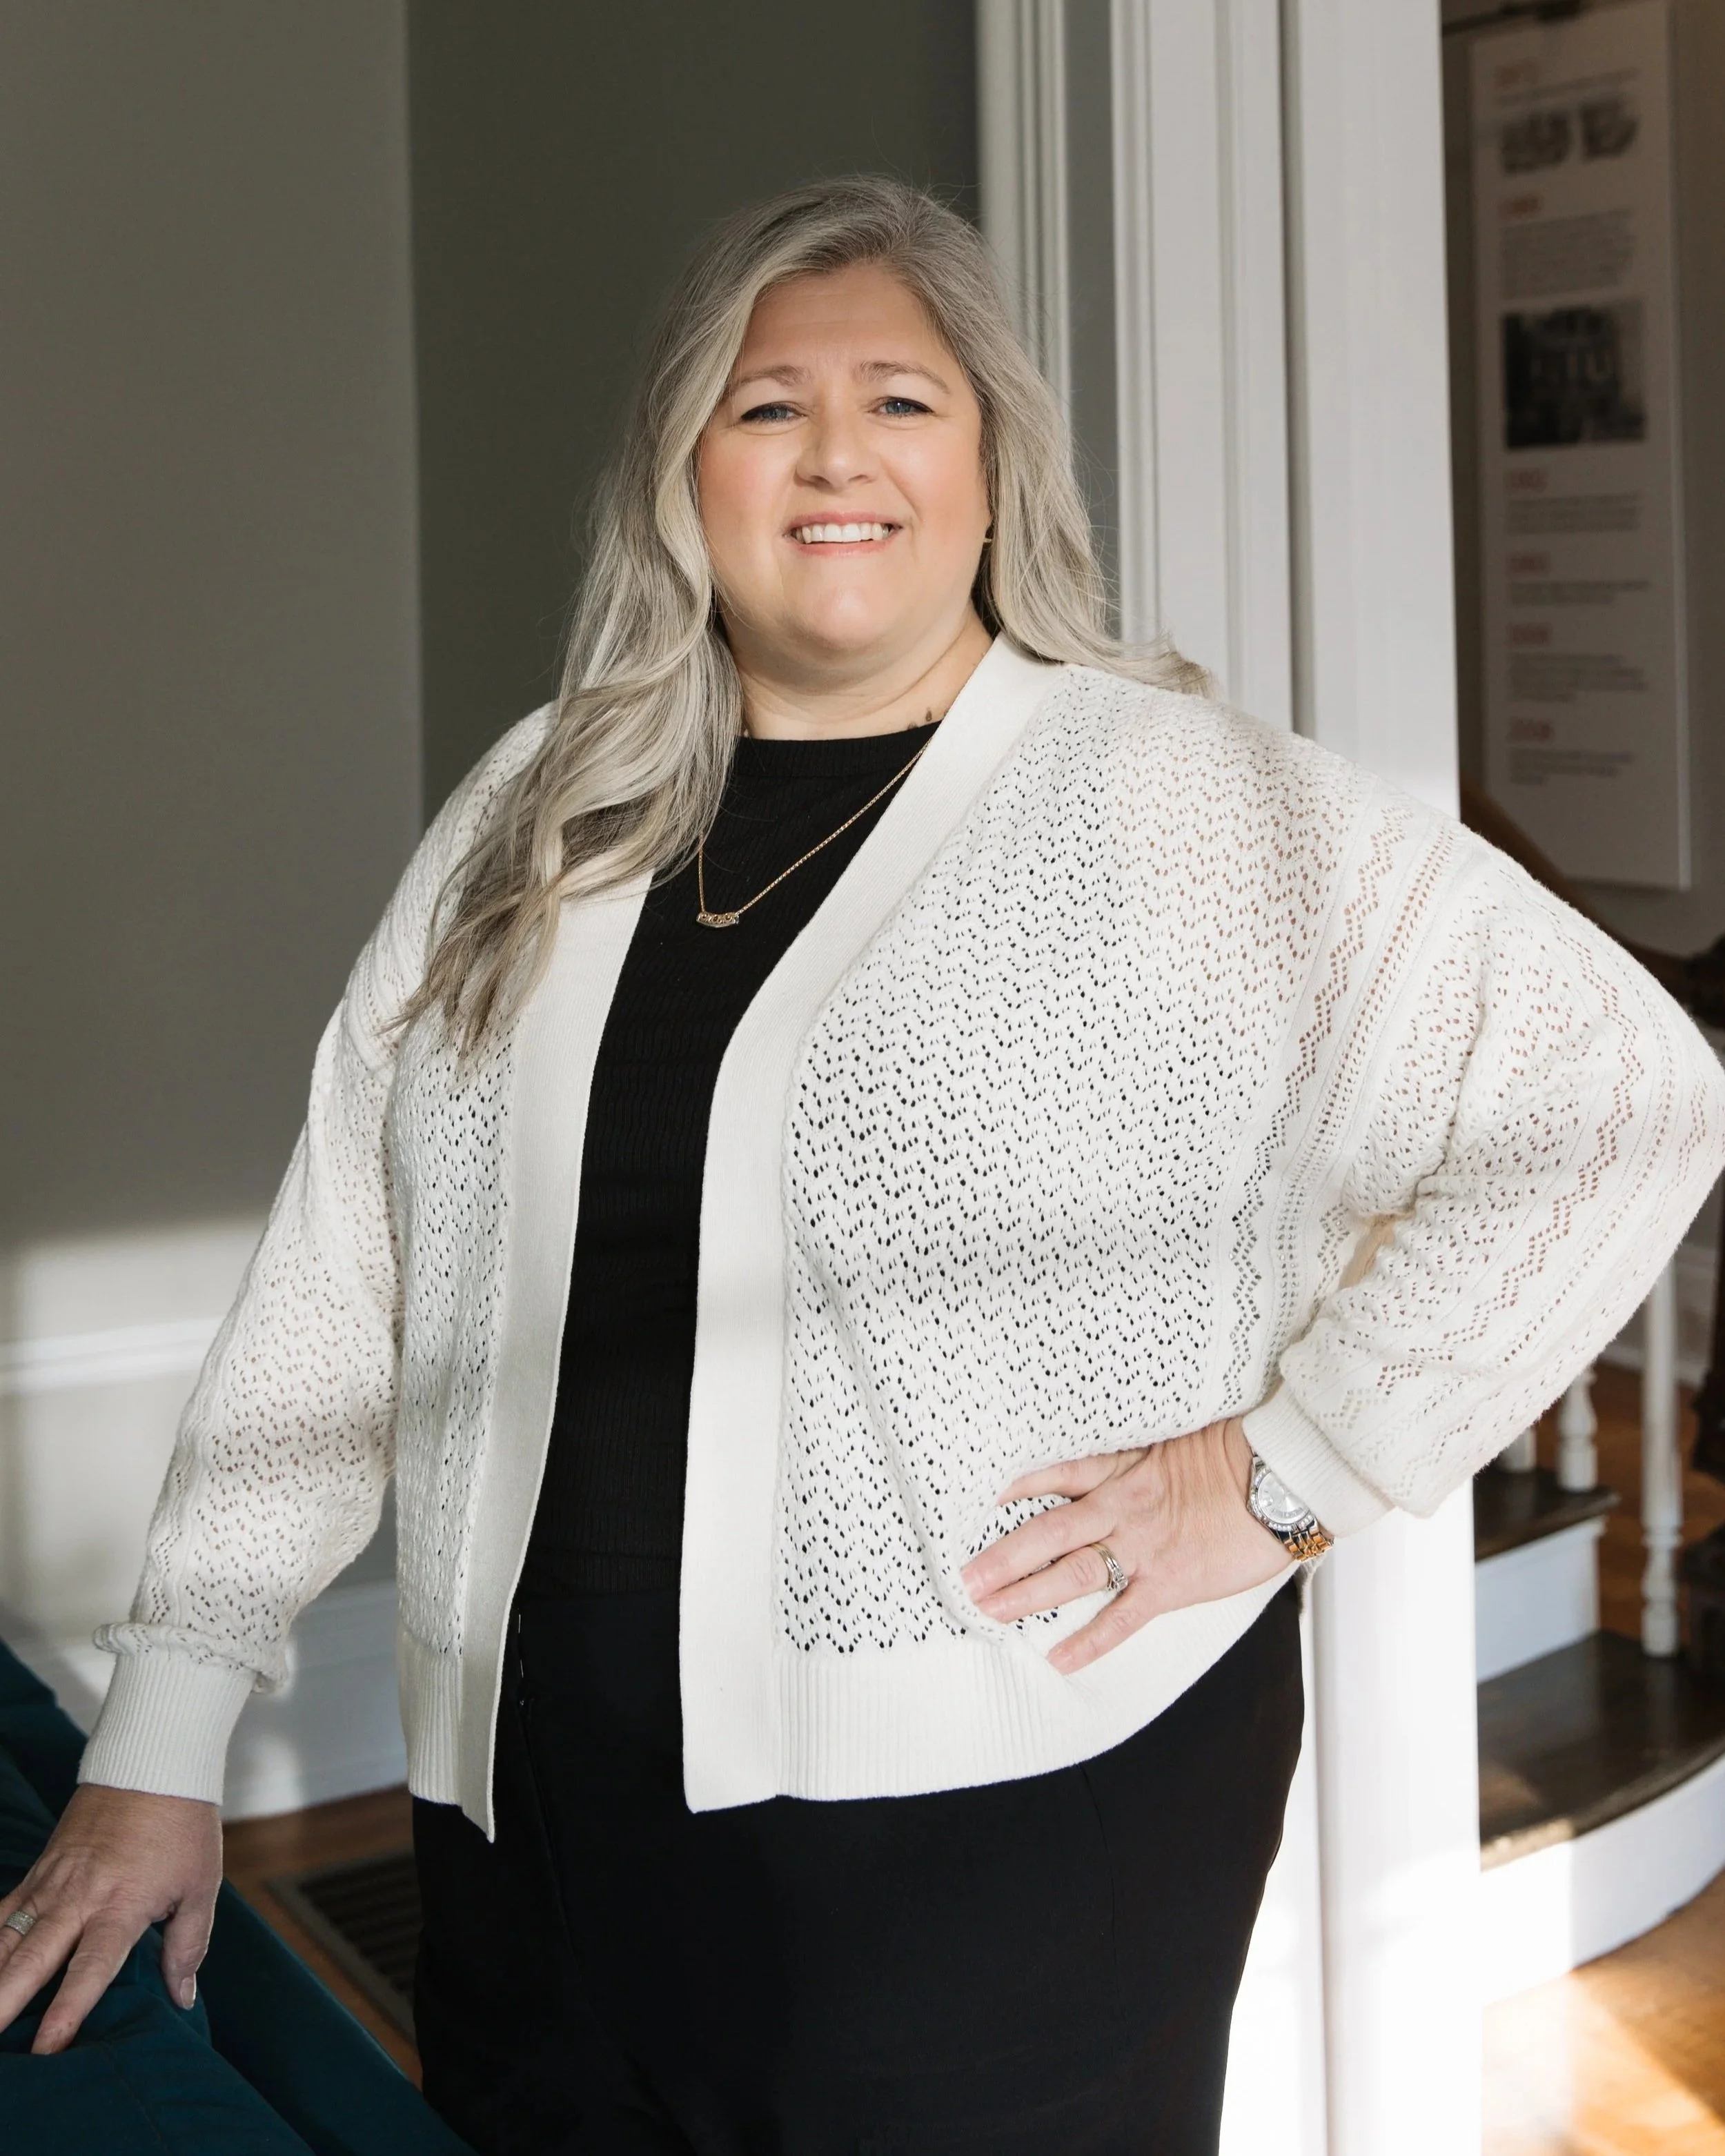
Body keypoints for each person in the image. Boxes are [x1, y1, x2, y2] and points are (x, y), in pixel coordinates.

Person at [2, 175, 1721, 2153]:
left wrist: (1283, 1473)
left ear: (996, 465)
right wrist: (157, 1736)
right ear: (684, 472)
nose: (834, 453)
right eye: (765, 405)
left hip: (1001, 1857)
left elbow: (1618, 1094)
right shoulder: (538, 803)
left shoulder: (1178, 799)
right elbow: (340, 1276)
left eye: (901, 401)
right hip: (530, 1834)